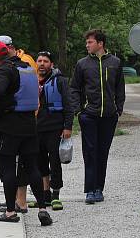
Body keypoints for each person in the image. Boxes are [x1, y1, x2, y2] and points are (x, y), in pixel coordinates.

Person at [0, 40, 52, 226]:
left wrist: (4, 108)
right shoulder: (27, 67)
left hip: (8, 127)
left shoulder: (5, 70)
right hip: (30, 124)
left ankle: (10, 212)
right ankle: (42, 209)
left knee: (7, 168)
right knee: (32, 167)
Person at [68, 29, 125, 204]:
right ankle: (90, 190)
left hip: (109, 116)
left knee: (103, 152)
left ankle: (99, 188)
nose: (87, 45)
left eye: (90, 42)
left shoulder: (115, 62)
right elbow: (74, 88)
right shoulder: (82, 64)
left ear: (100, 44)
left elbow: (120, 88)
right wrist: (79, 111)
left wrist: (118, 109)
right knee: (90, 152)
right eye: (86, 43)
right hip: (89, 115)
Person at [35, 51, 74, 210]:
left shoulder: (60, 81)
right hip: (37, 127)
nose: (42, 64)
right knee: (40, 161)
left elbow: (68, 104)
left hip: (55, 126)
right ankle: (45, 195)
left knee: (55, 161)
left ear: (51, 64)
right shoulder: (33, 81)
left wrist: (68, 126)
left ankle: (56, 194)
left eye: (45, 61)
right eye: (39, 61)